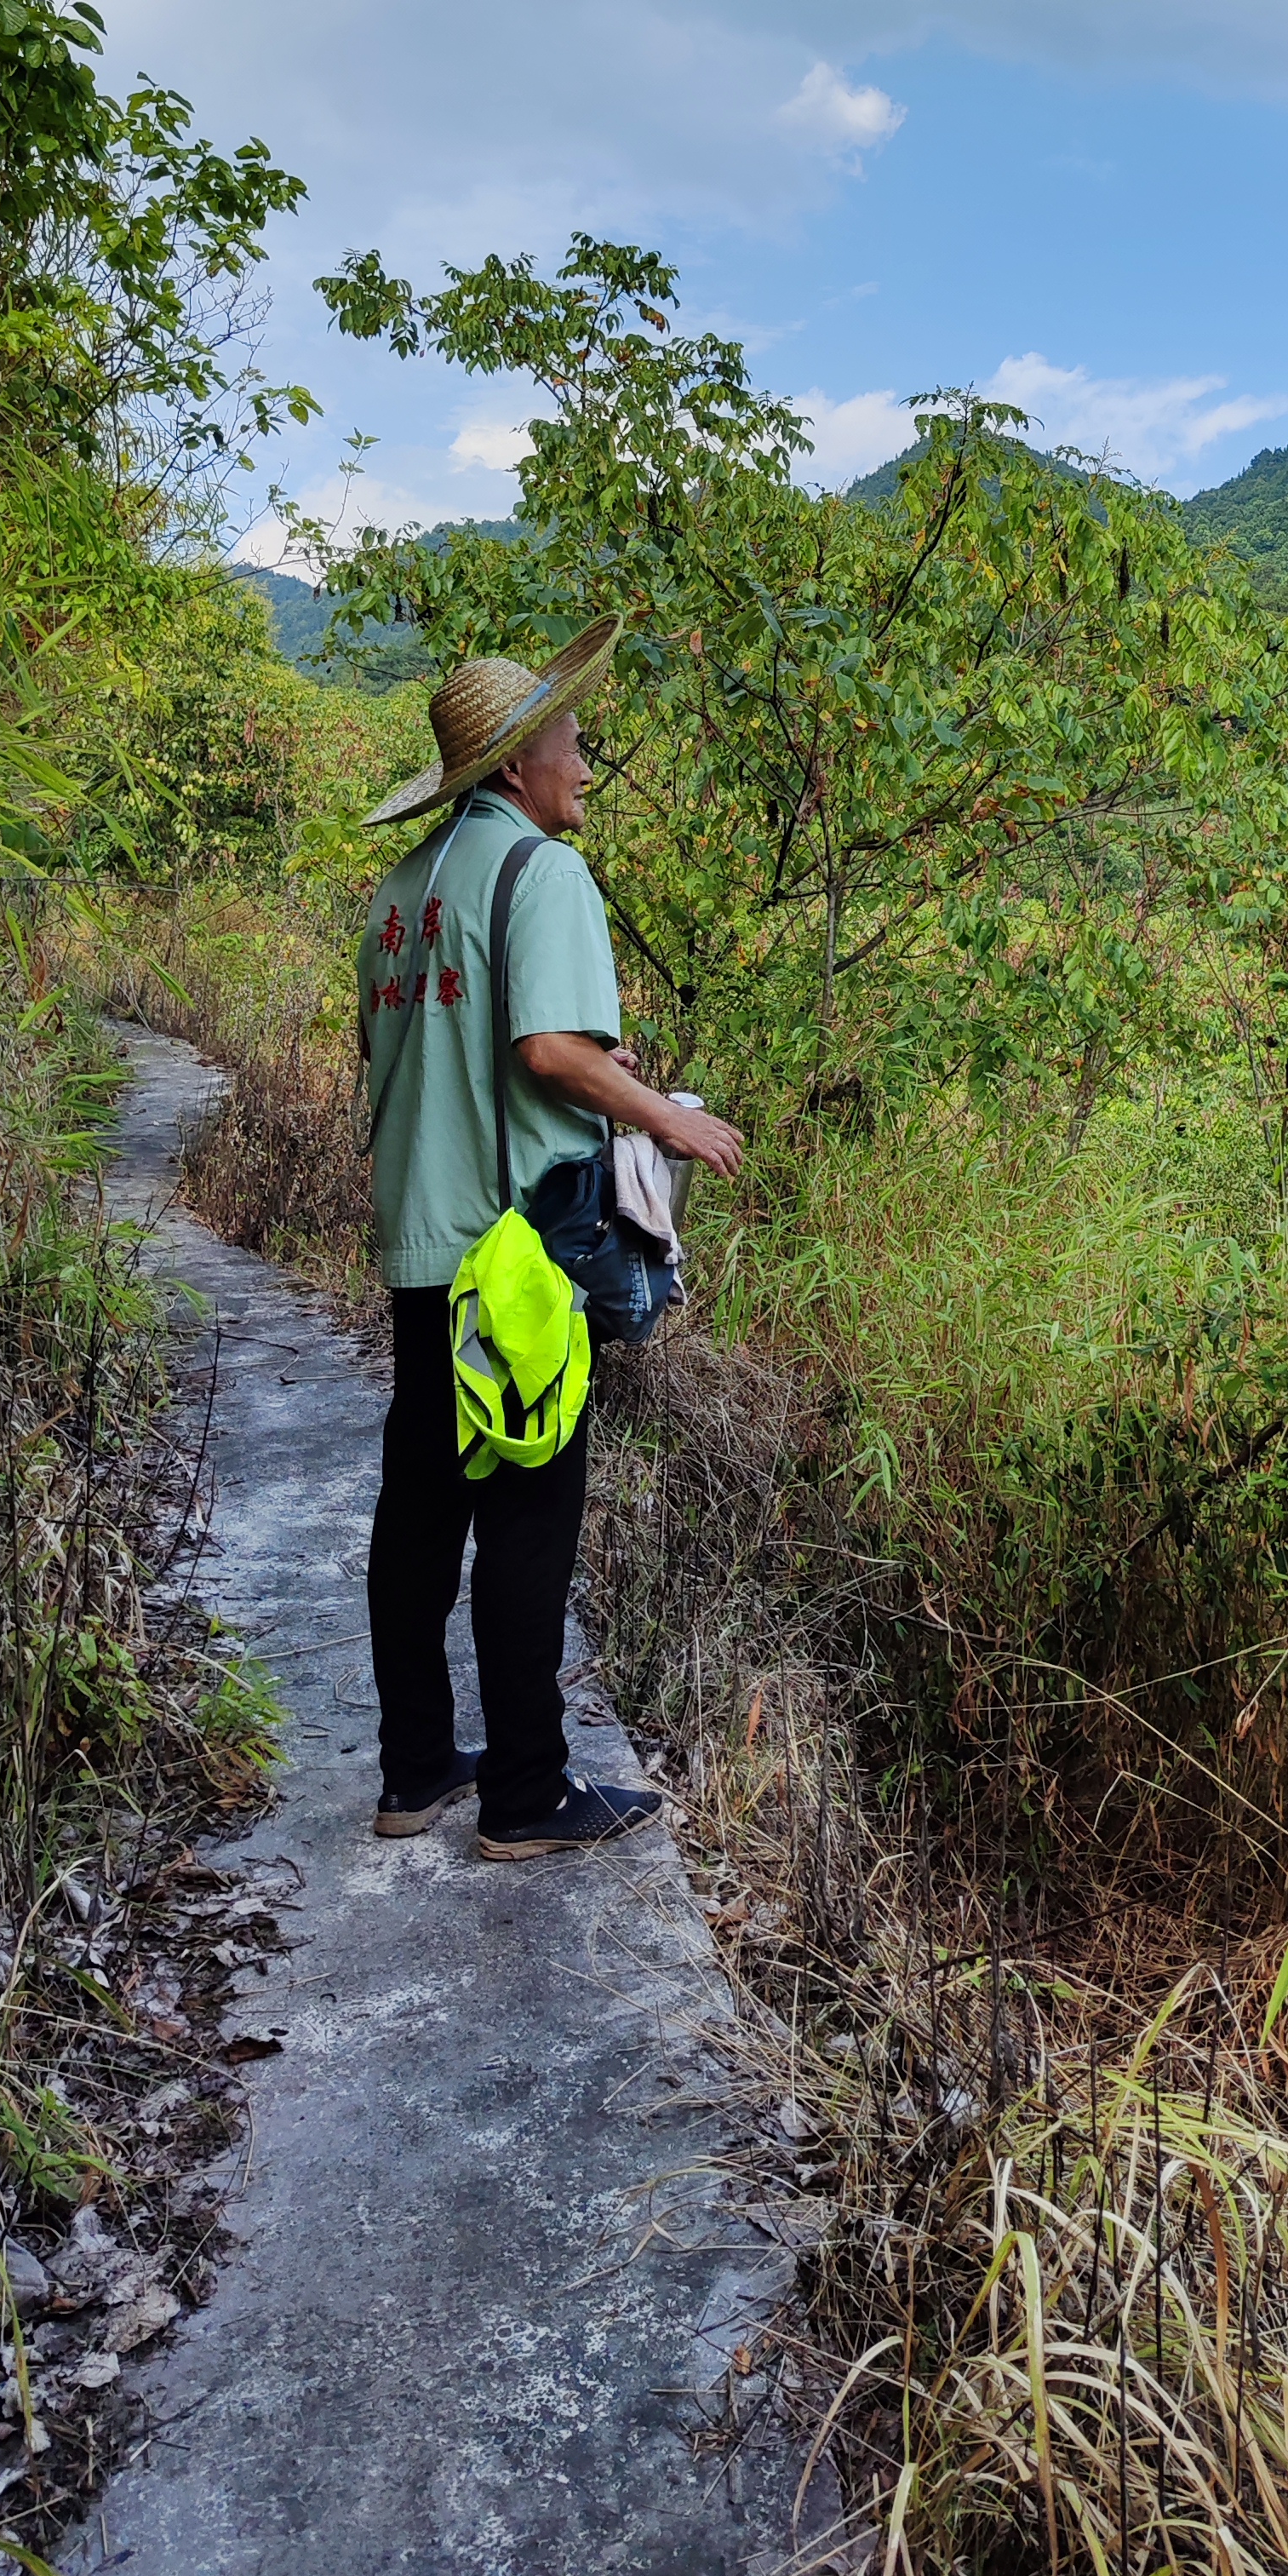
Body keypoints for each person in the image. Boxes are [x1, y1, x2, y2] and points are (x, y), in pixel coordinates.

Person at [355, 620, 743, 1859]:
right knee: (531, 1507)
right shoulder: (544, 873)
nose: (584, 760)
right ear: (517, 766)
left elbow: (399, 1058)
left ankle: (416, 1767)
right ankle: (526, 1793)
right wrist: (668, 1119)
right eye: (570, 740)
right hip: (515, 1255)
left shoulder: (401, 891)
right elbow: (548, 1051)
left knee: (422, 1505)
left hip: (421, 1244)